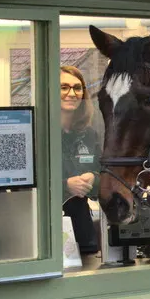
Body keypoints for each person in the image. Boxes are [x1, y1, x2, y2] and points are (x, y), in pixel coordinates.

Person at [59, 65, 102, 270]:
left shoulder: (90, 134)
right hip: (49, 233)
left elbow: (105, 177)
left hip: (83, 233)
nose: (72, 93)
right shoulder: (38, 132)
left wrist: (94, 178)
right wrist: (65, 185)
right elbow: (26, 186)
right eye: (64, 87)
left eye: (77, 88)